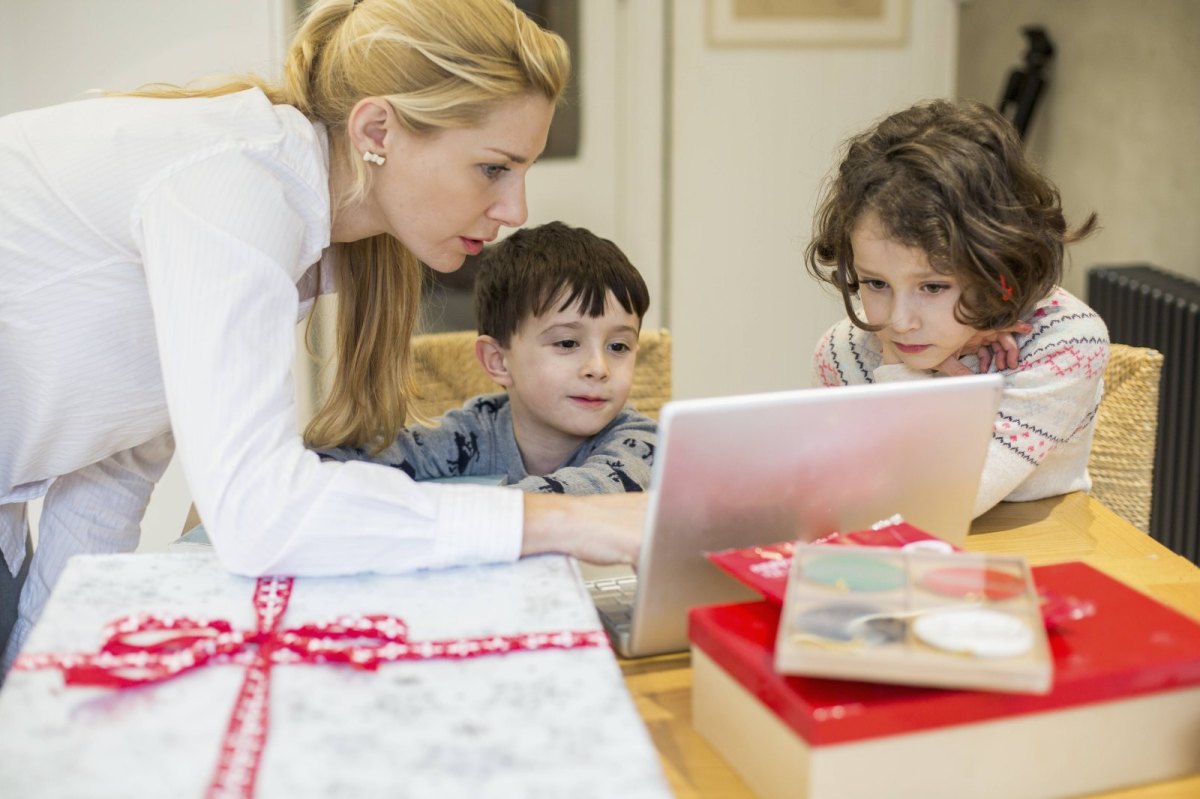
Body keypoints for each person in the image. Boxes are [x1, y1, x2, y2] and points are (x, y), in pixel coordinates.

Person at [0, 0, 645, 674]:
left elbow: (115, 462)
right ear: (377, 130)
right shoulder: (237, 183)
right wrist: (571, 521)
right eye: (493, 168)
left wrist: (37, 678)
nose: (516, 209)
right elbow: (258, 515)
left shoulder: (293, 236)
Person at [806, 98, 1109, 518]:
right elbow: (866, 509)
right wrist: (901, 365)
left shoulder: (1064, 341)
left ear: (996, 265)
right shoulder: (845, 353)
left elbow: (934, 504)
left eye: (932, 286)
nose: (899, 321)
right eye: (876, 283)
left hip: (1043, 561)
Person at [320, 221, 658, 493]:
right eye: (568, 343)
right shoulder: (470, 436)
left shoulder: (642, 444)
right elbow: (339, 467)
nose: (598, 369)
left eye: (618, 347)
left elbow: (593, 493)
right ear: (498, 361)